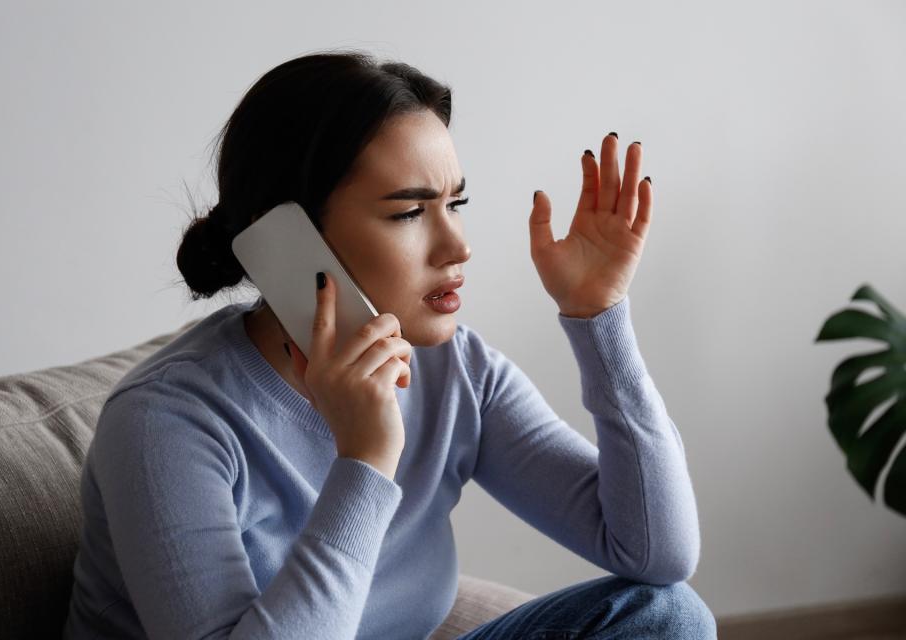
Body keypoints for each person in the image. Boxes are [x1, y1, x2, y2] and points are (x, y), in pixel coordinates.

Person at [62, 49, 716, 639]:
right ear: (287, 241)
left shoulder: (457, 370)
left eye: (455, 203)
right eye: (408, 212)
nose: (458, 246)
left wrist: (597, 318)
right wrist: (366, 461)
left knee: (667, 617)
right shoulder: (165, 422)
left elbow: (656, 552)